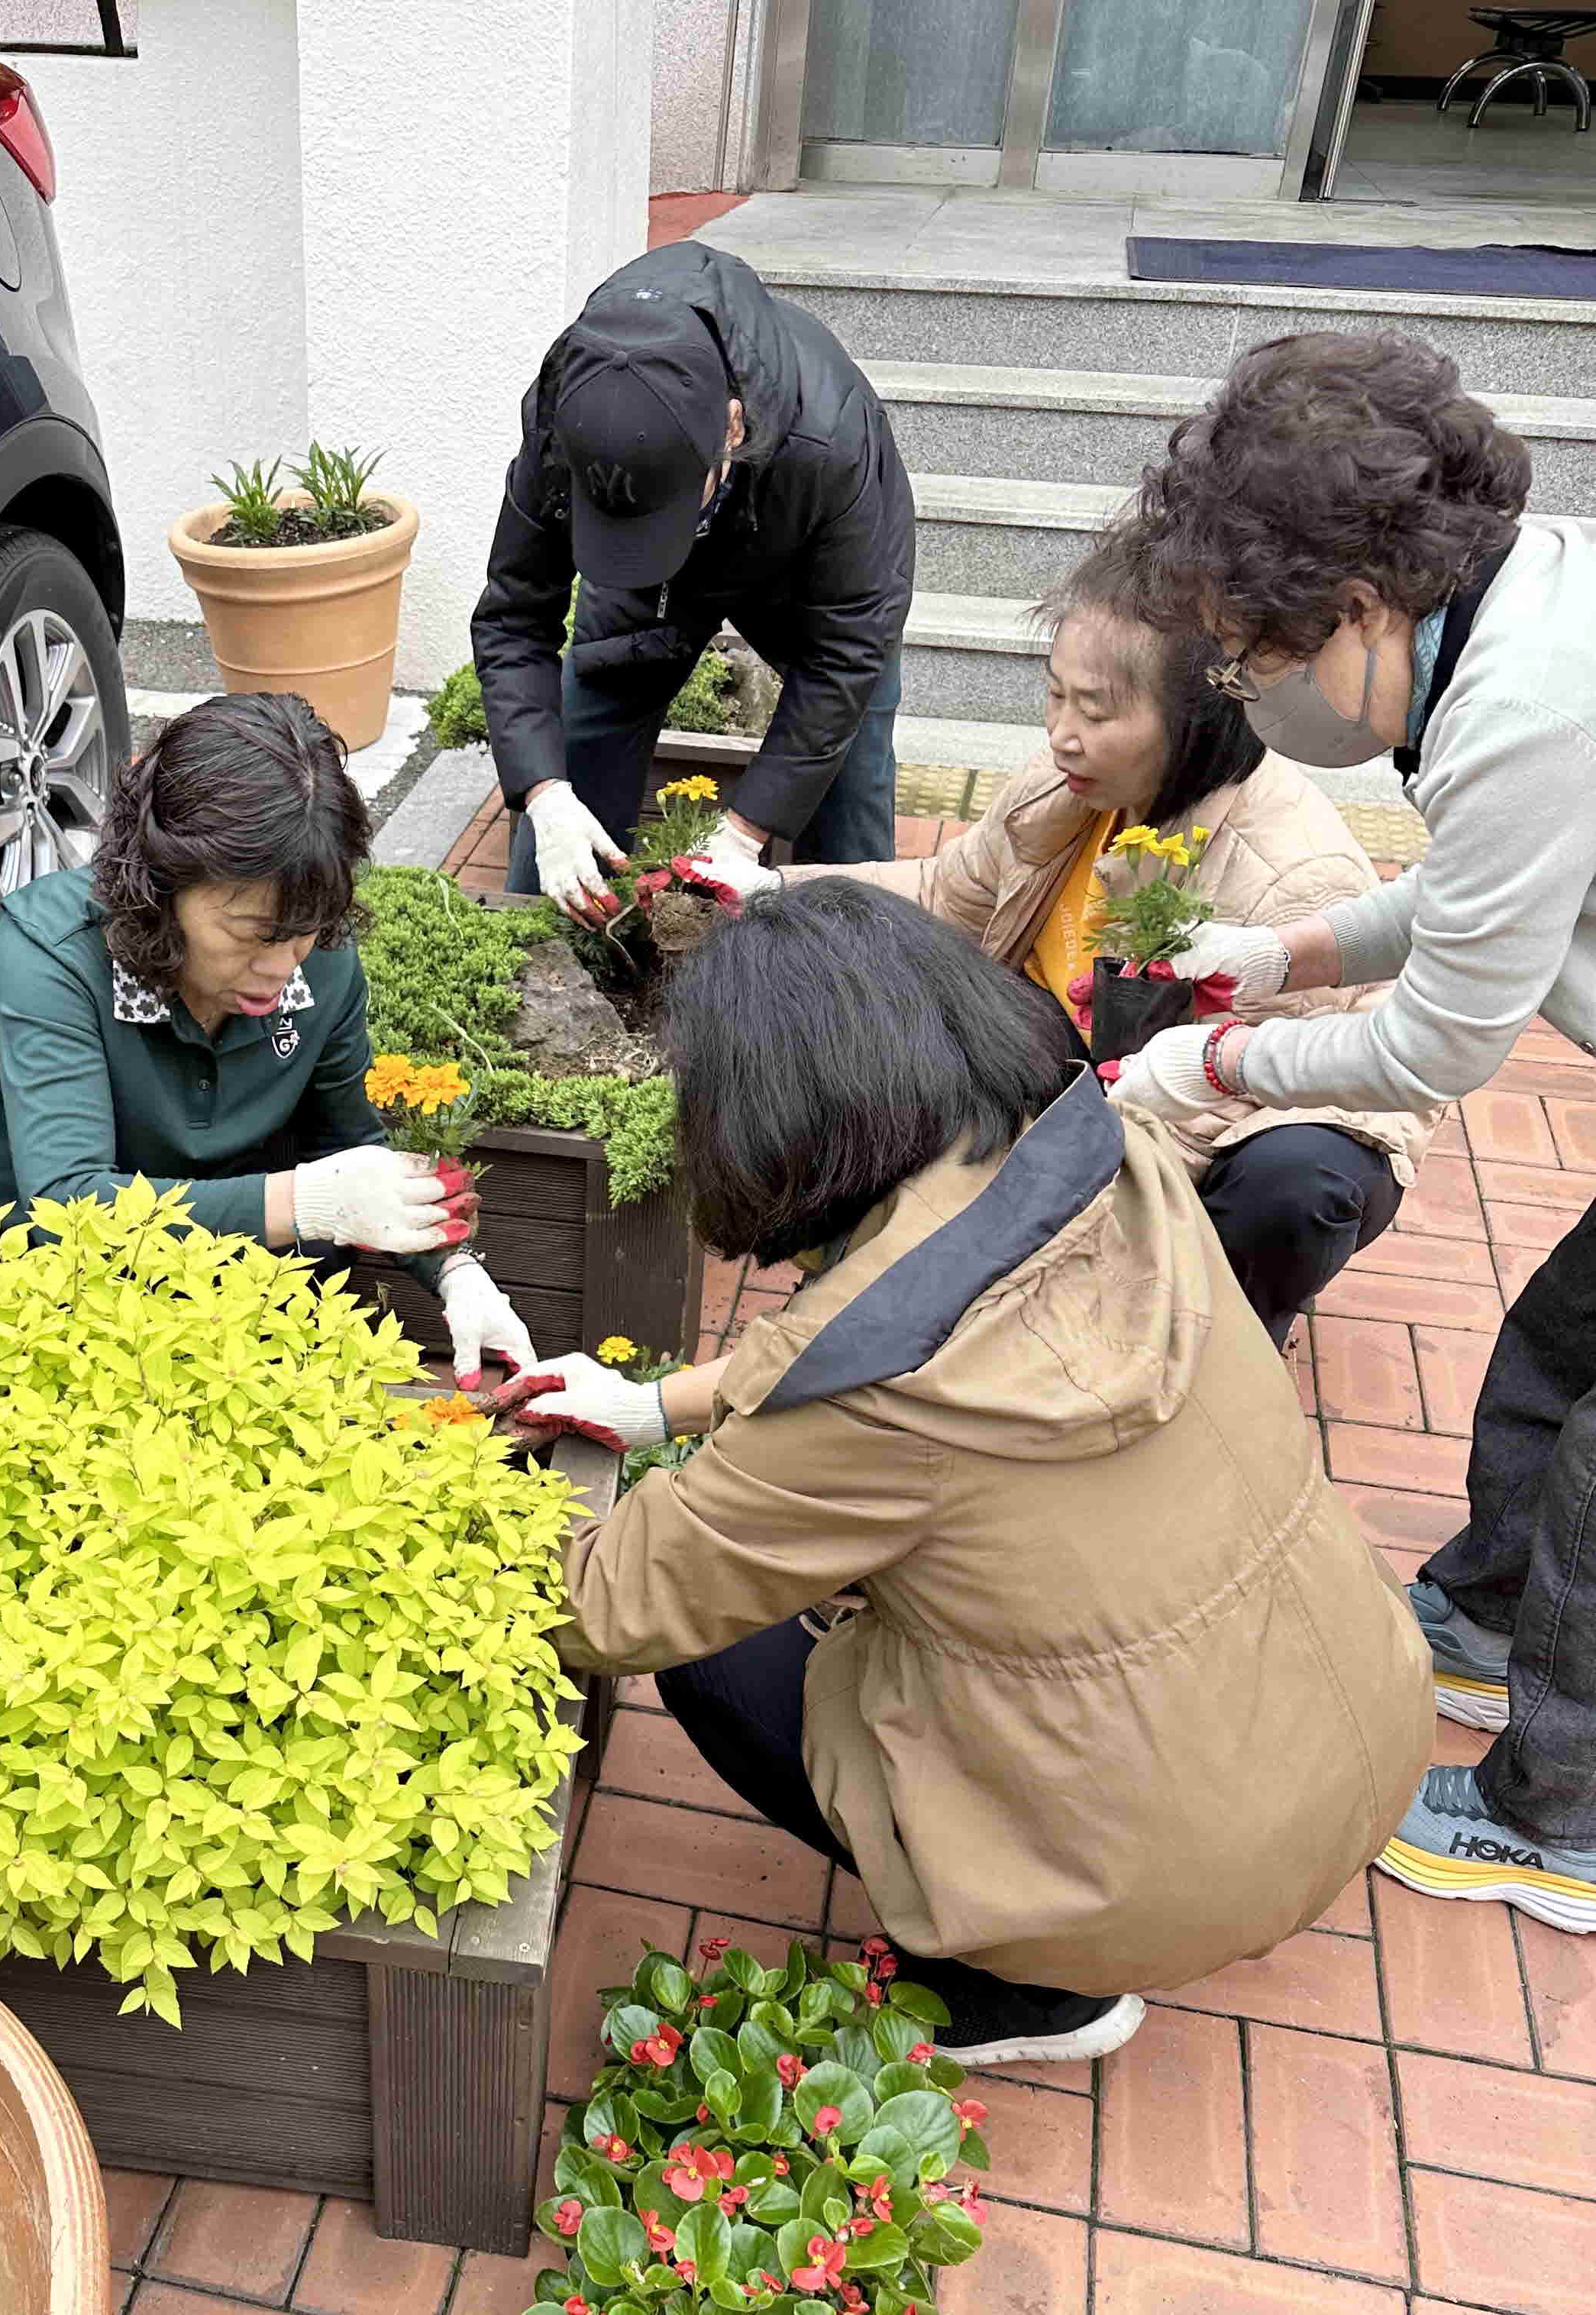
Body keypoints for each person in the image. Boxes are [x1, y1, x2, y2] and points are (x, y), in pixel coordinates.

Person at [497, 882, 1430, 2062]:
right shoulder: (1105, 1159)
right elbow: (893, 1306)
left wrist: (427, 1499)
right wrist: (650, 1401)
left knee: (707, 1647)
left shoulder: (864, 1402)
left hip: (1148, 1876)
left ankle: (1033, 1989)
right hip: (1348, 1727)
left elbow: (602, 1602)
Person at [1094, 329, 1596, 1933]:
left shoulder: (1524, 700)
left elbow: (1448, 1040)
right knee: (1553, 1347)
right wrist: (1282, 958)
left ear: (1363, 609)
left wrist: (1210, 1071)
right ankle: (1474, 1615)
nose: (1241, 689)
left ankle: (1557, 1817)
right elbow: (1462, 898)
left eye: (1249, 656)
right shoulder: (1504, 630)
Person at [743, 581, 1435, 1347]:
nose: (1062, 734)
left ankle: (1222, 1339)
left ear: (1194, 720)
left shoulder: (1287, 874)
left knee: (1292, 1187)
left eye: (1096, 712)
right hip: (1097, 1060)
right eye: (1054, 697)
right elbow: (946, 892)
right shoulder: (1064, 784)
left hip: (1259, 1107)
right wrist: (770, 891)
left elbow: (1204, 1112)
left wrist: (1021, 1252)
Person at [0, 693, 535, 1385]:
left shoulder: (321, 956)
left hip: (228, 1253)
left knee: (308, 1296)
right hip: (32, 1257)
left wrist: (454, 1271)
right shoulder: (51, 953)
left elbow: (347, 1146)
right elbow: (67, 1205)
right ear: (158, 887)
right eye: (249, 934)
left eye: (302, 931)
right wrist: (307, 1202)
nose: (281, 965)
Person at [472, 241, 913, 925]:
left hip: (796, 561)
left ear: (732, 427)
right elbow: (512, 618)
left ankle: (855, 959)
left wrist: (744, 830)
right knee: (573, 776)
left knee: (848, 773)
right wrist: (542, 791)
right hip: (645, 597)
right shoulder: (566, 424)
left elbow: (846, 654)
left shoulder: (831, 442)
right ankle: (547, 948)